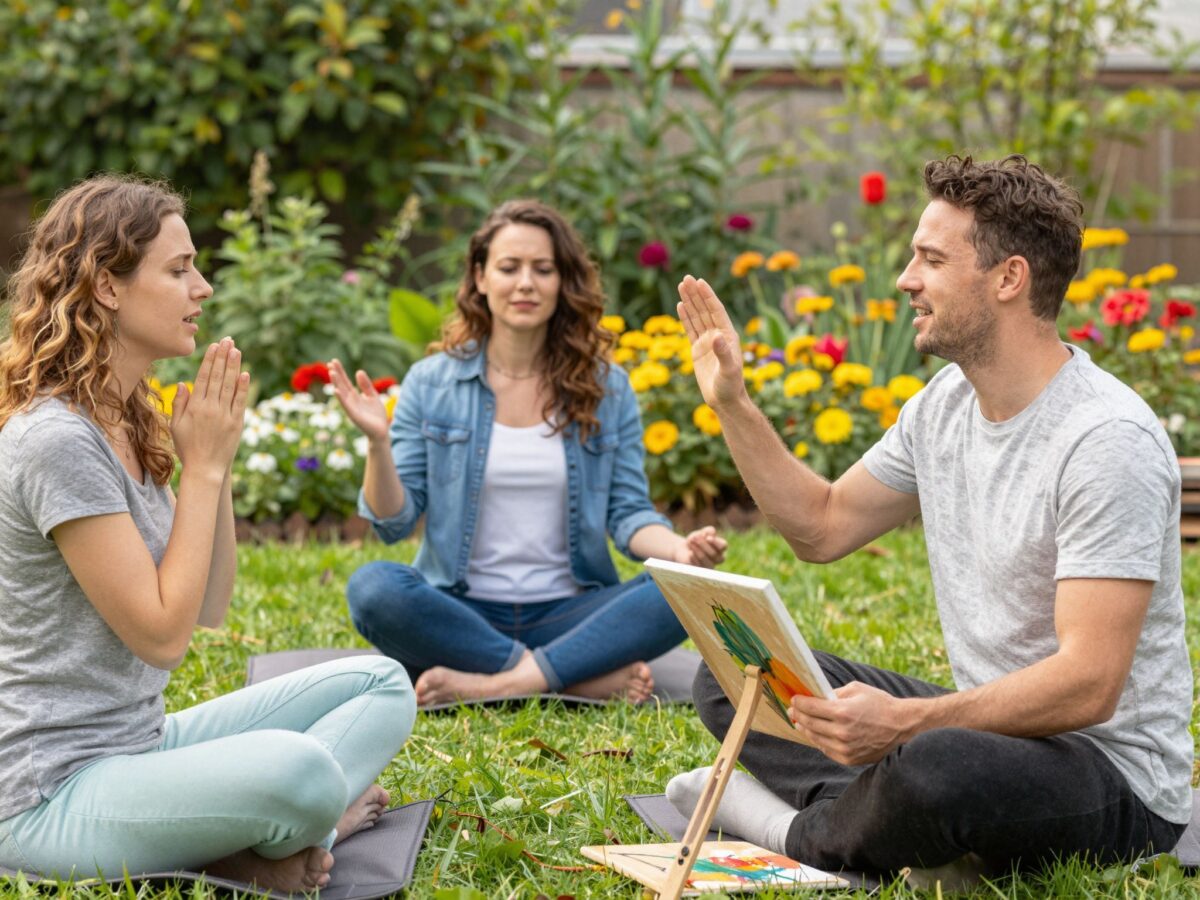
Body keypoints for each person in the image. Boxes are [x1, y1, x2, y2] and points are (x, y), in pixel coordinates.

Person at [667, 155, 1192, 882]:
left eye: (930, 259)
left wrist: (905, 724)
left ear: (1008, 279)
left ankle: (797, 831)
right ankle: (912, 831)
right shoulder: (941, 408)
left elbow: (1089, 683)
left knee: (939, 767)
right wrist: (733, 403)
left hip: (1110, 775)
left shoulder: (1106, 442)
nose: (906, 279)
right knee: (741, 674)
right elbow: (820, 527)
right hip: (982, 730)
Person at [0, 175, 416, 891]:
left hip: (141, 745)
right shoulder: (56, 441)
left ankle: (249, 837)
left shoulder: (128, 415)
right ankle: (278, 833)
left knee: (382, 683)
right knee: (306, 770)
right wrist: (202, 474)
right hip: (49, 793)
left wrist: (208, 469)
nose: (204, 289)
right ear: (107, 285)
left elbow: (211, 604)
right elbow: (163, 637)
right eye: (179, 268)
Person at [333, 198, 727, 707]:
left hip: (572, 611)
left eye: (543, 269)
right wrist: (377, 444)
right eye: (509, 267)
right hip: (461, 611)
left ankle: (497, 682)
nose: (526, 283)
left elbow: (628, 515)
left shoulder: (608, 387)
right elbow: (392, 521)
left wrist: (680, 552)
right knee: (373, 588)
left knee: (692, 589)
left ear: (563, 282)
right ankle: (572, 676)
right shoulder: (432, 383)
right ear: (480, 277)